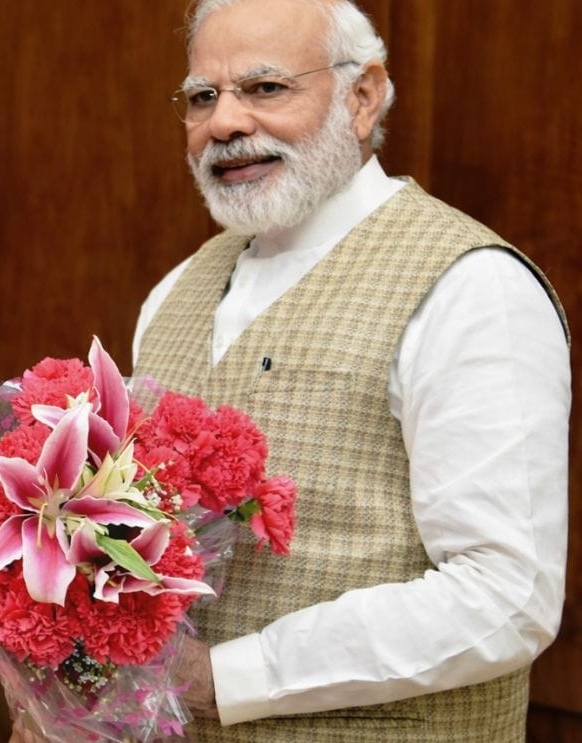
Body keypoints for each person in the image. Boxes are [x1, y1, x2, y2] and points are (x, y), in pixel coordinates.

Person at [128, 0, 570, 740]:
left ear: (362, 96)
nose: (225, 124)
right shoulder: (173, 293)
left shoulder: (471, 287)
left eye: (266, 88)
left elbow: (508, 594)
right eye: (203, 97)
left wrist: (231, 677)